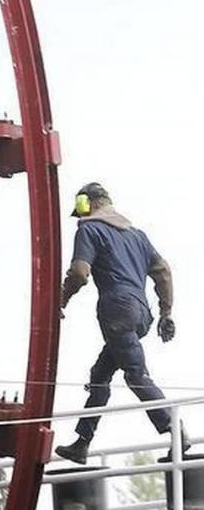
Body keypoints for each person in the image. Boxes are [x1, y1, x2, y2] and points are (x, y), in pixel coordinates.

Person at [54, 182, 180, 465]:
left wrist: (60, 300)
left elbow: (79, 273)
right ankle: (82, 443)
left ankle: (176, 432)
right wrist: (165, 312)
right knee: (100, 375)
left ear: (89, 203)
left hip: (116, 312)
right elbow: (163, 271)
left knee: (136, 376)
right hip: (141, 315)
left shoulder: (89, 229)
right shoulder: (137, 236)